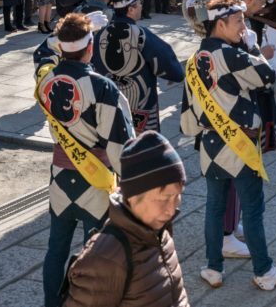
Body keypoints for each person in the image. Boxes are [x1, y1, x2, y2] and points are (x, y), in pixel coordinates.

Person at [181, 0, 276, 291]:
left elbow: (188, 113)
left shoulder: (194, 59)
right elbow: (266, 76)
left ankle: (213, 267)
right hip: (239, 142)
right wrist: (253, 47)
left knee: (214, 206)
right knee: (252, 208)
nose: (244, 26)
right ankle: (264, 271)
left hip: (211, 145)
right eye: (239, 21)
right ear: (220, 23)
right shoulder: (230, 54)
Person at [37, 12, 135, 307]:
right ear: (90, 48)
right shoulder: (102, 87)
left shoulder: (46, 81)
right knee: (97, 254)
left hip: (60, 178)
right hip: (97, 181)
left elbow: (41, 54)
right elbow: (120, 143)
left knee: (56, 249)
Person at [60, 131, 189, 307]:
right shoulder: (106, 257)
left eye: (177, 196)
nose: (171, 209)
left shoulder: (160, 232)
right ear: (134, 197)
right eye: (164, 198)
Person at [94, 0, 184, 134]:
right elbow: (163, 55)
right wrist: (173, 74)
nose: (142, 6)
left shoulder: (100, 34)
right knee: (143, 144)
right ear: (130, 9)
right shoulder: (140, 34)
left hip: (109, 102)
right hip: (141, 104)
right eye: (139, 3)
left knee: (113, 141)